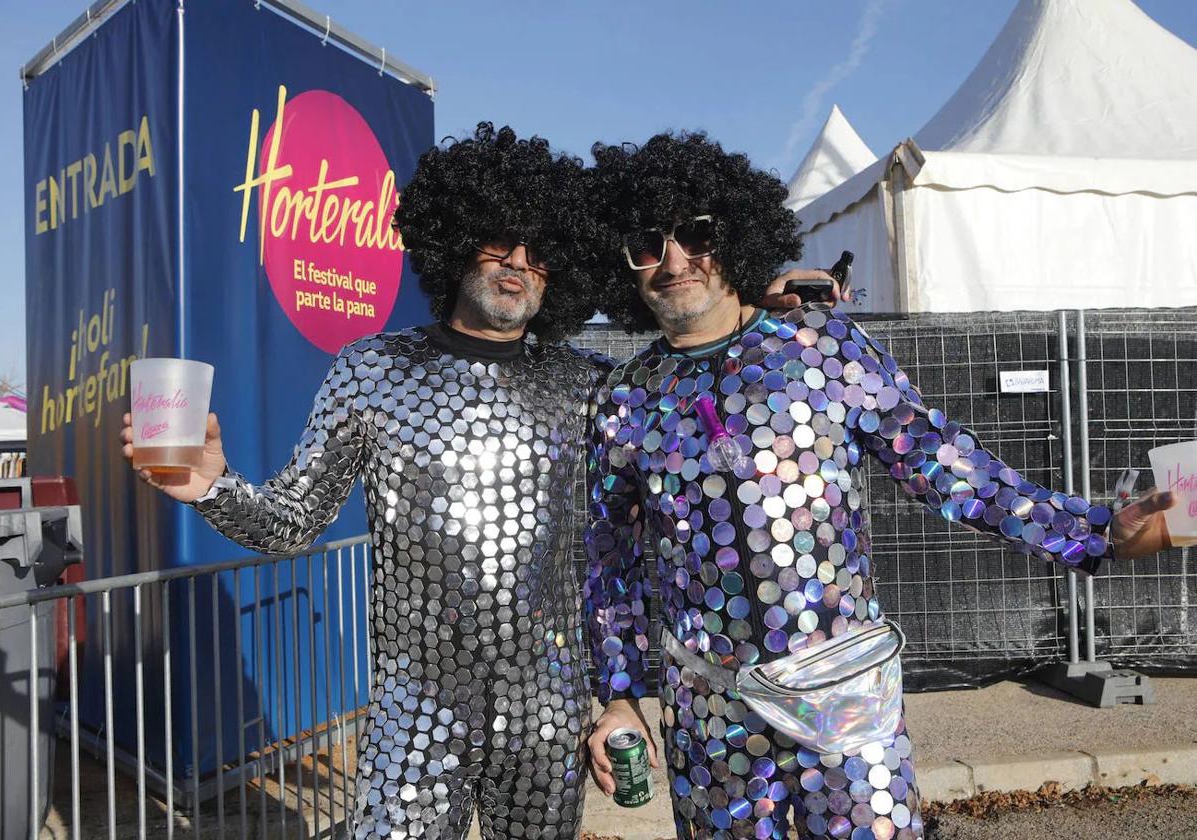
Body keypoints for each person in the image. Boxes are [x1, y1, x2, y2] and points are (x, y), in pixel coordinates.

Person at [581, 131, 1176, 840]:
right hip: (711, 710)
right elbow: (608, 561)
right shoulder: (625, 397)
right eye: (648, 244)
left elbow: (948, 465)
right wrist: (619, 697)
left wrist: (1098, 532)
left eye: (698, 235)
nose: (675, 260)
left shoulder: (821, 348)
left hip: (846, 693)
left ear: (735, 236)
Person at [122, 123, 607, 840]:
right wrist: (212, 488)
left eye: (540, 254)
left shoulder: (583, 384)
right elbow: (292, 519)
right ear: (453, 241)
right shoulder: (372, 369)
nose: (518, 265)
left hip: (546, 708)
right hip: (416, 708)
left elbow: (628, 541)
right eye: (498, 242)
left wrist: (628, 693)